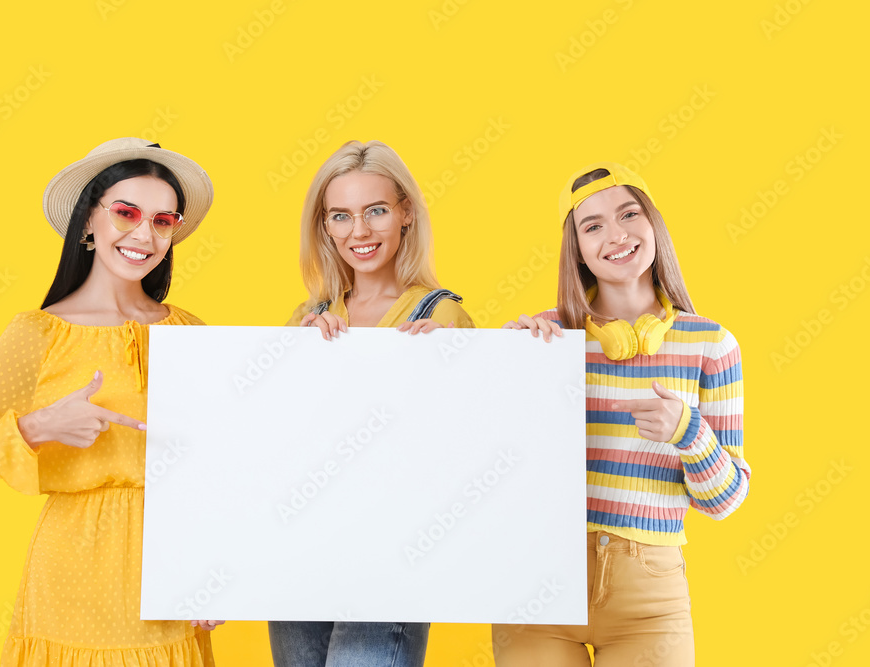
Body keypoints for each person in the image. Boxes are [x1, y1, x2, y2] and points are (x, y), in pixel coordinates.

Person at [0, 137, 223, 666]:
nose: (144, 234)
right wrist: (35, 427)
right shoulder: (39, 334)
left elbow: (220, 466)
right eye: (126, 212)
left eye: (162, 221)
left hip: (174, 572)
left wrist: (218, 569)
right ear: (87, 222)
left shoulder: (190, 331)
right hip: (74, 573)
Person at [495, 162, 750, 666]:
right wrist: (504, 369)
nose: (616, 235)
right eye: (593, 226)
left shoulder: (712, 344)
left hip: (649, 602)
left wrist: (688, 432)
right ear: (577, 250)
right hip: (538, 585)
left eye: (629, 214)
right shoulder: (545, 338)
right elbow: (491, 464)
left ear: (653, 223)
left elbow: (725, 502)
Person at [271, 140, 474, 667]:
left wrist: (446, 368)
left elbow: (463, 450)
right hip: (303, 554)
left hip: (390, 556)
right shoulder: (306, 317)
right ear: (325, 227)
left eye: (376, 210)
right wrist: (294, 357)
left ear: (406, 213)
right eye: (341, 216)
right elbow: (273, 442)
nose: (358, 231)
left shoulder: (442, 318)